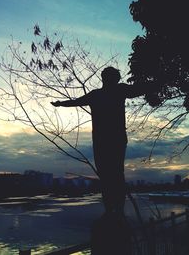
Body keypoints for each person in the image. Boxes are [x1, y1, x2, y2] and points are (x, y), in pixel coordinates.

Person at [51, 66, 156, 216]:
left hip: (107, 140)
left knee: (111, 174)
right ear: (111, 78)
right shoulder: (110, 92)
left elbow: (76, 102)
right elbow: (77, 101)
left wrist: (61, 103)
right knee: (111, 174)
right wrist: (61, 103)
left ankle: (115, 210)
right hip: (109, 139)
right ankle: (113, 210)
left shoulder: (111, 92)